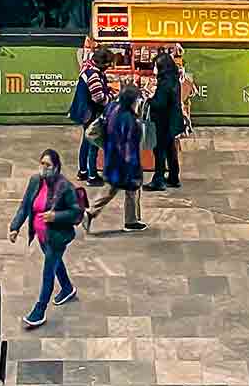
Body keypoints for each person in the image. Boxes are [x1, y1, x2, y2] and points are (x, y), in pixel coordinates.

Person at [9, 148, 83, 328]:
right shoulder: (35, 181)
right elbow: (25, 205)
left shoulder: (65, 187)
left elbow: (75, 212)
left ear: (56, 167)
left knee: (48, 272)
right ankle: (67, 288)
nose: (44, 168)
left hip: (57, 237)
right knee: (56, 263)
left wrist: (55, 216)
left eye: (48, 165)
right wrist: (15, 227)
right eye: (42, 163)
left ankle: (39, 311)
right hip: (42, 236)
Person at [88, 81, 147, 231]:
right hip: (125, 162)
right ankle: (131, 221)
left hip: (112, 157)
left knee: (112, 188)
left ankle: (90, 213)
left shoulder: (111, 107)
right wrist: (134, 166)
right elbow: (130, 145)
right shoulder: (130, 120)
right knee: (132, 189)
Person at [74, 46, 114, 185]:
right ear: (103, 64)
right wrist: (112, 97)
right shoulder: (94, 76)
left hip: (85, 112)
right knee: (93, 143)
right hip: (91, 113)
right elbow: (99, 98)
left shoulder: (87, 68)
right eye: (108, 64)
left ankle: (83, 171)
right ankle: (92, 177)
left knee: (86, 140)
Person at [146, 50, 186, 190]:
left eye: (156, 66)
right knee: (170, 149)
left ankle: (158, 179)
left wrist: (149, 100)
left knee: (159, 150)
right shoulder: (174, 78)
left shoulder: (165, 83)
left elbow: (160, 103)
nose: (154, 69)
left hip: (163, 122)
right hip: (173, 121)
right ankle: (174, 177)